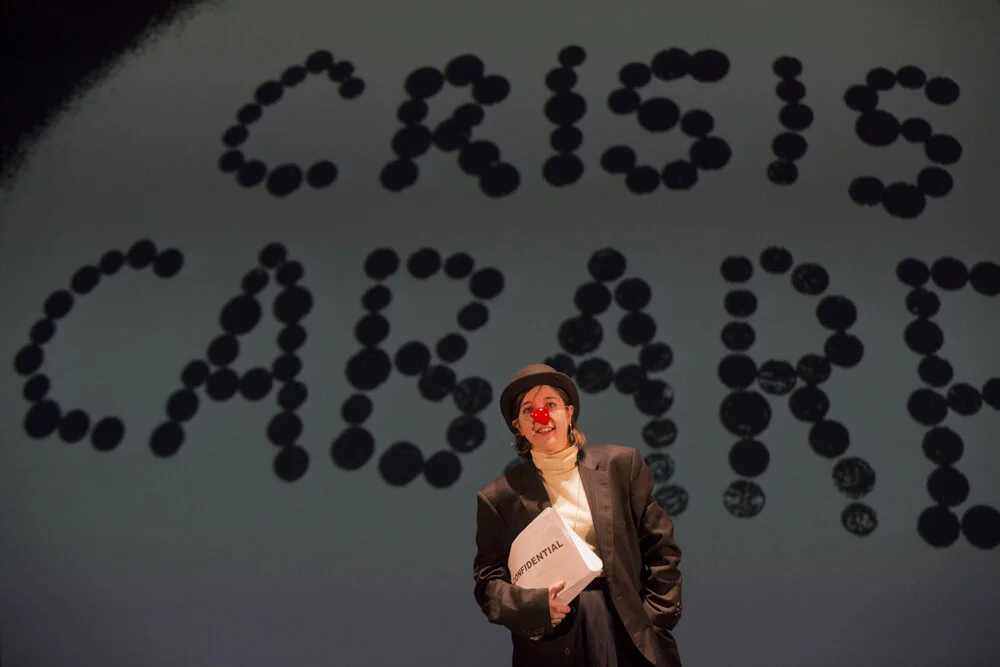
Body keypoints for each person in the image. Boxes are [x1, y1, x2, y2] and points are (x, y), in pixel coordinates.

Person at [473, 364, 683, 667]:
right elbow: (489, 584)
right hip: (552, 643)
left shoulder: (620, 466)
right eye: (528, 410)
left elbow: (662, 550)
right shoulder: (498, 497)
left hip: (627, 632)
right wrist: (534, 608)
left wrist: (654, 620)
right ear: (518, 425)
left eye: (550, 405)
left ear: (569, 413)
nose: (541, 416)